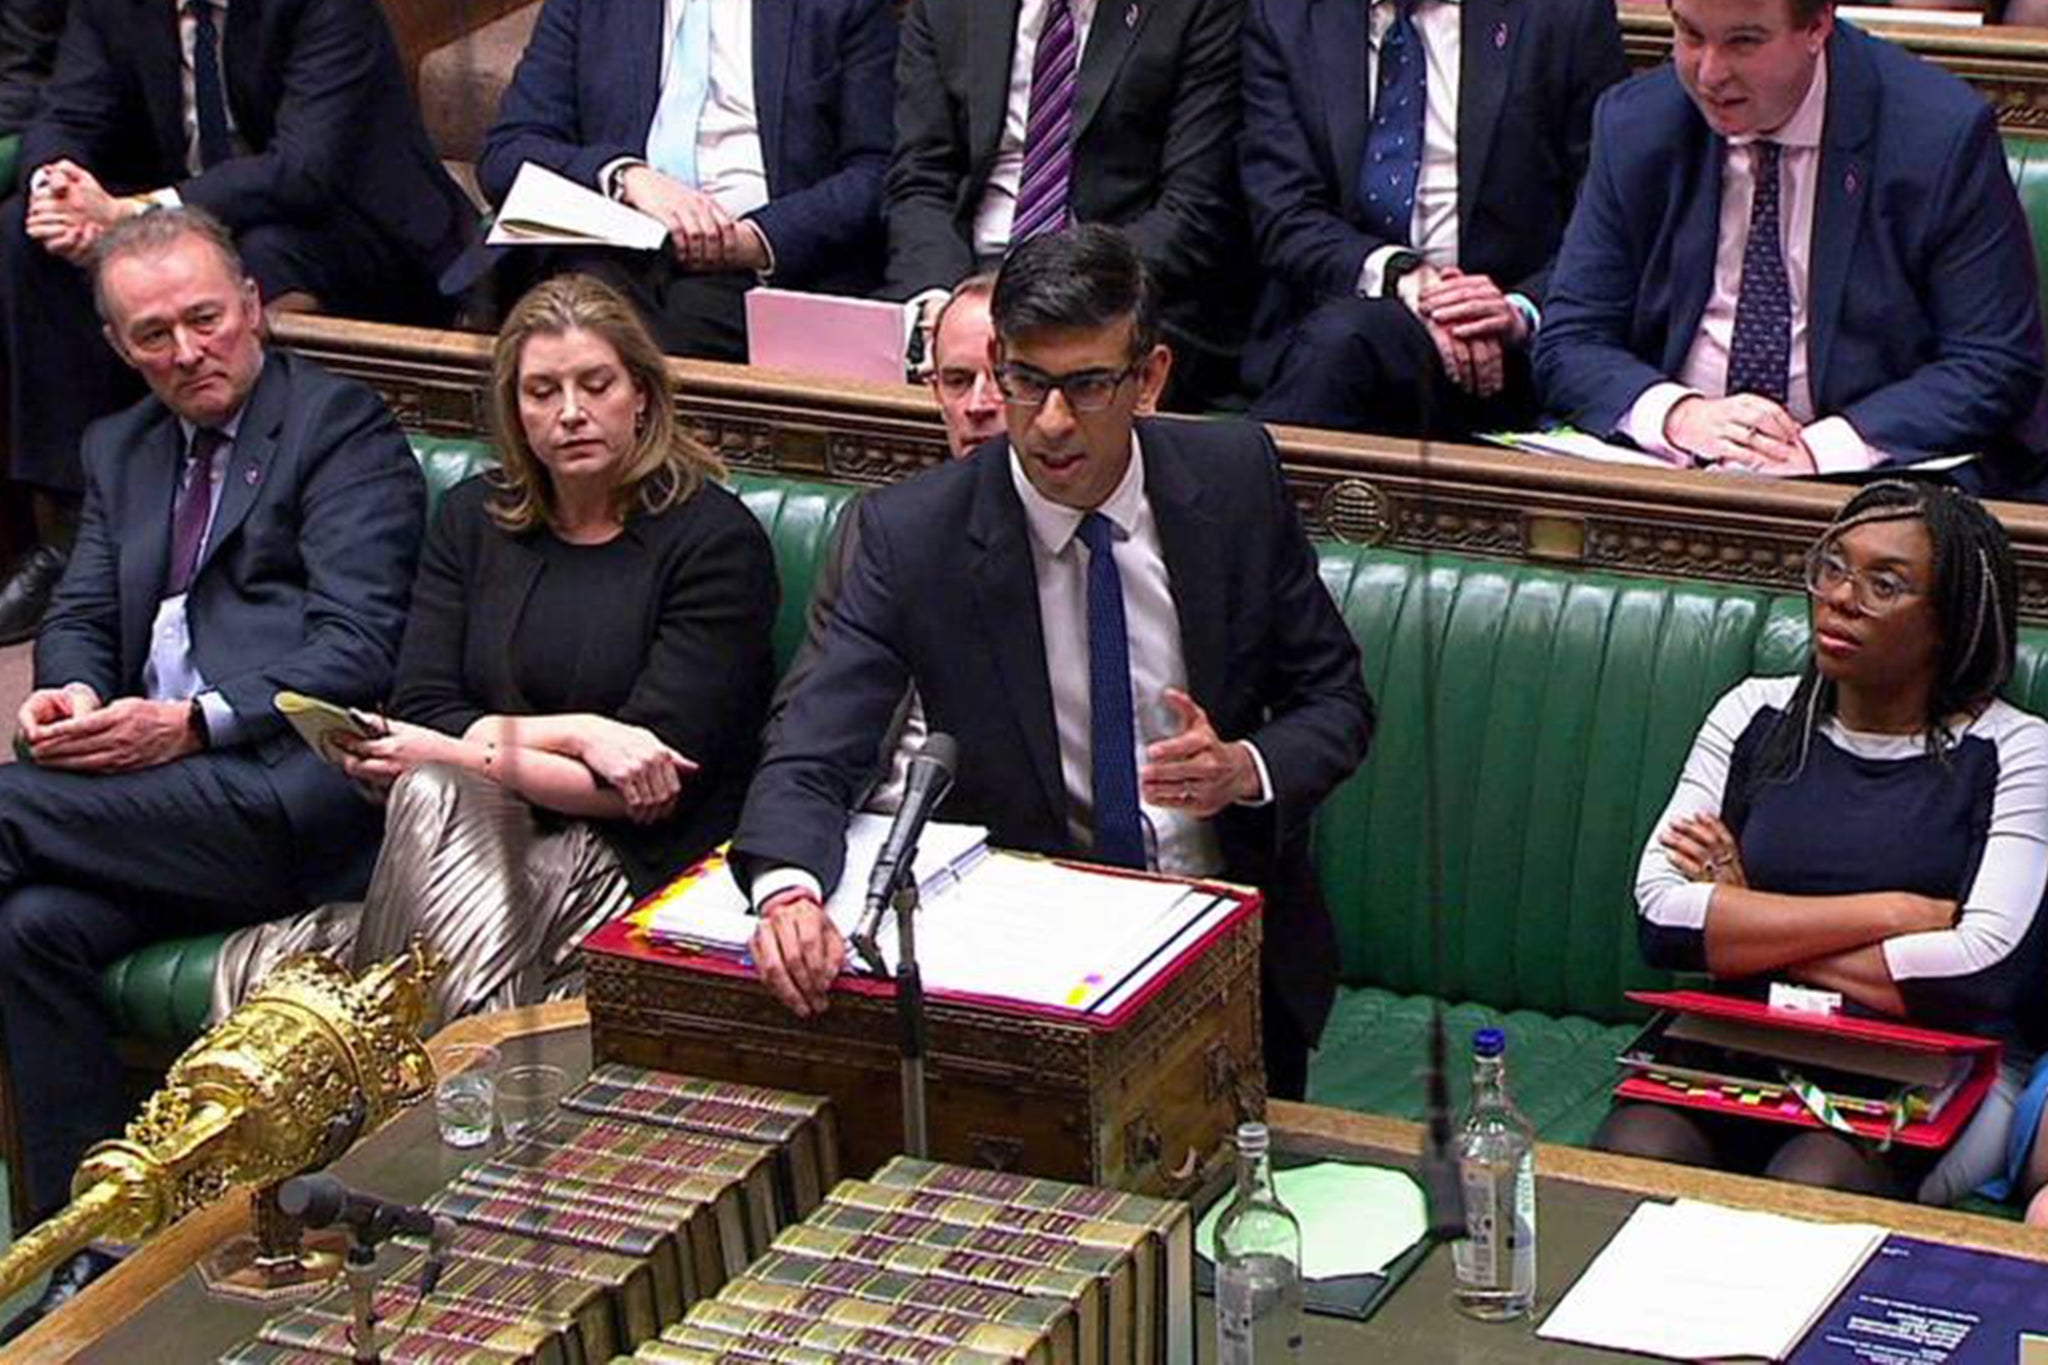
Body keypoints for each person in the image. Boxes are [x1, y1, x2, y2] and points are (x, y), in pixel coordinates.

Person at [732, 225, 1375, 1099]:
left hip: (1224, 946)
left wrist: (1244, 766)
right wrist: (787, 891)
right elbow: (812, 745)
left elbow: (1336, 700)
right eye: (1028, 382)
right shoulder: (911, 536)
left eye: (1089, 385)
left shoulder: (1233, 478)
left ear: (1149, 377)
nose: (1052, 422)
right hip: (1025, 973)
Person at [0, 206, 424, 1339]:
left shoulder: (341, 429)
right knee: (30, 924)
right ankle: (85, 1244)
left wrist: (190, 723)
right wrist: (73, 696)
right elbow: (84, 610)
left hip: (290, 793)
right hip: (143, 806)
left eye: (203, 320)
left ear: (250, 306)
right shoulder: (121, 447)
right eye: (153, 336)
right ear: (117, 346)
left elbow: (356, 644)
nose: (186, 353)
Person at [210, 274, 780, 1027]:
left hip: (622, 857)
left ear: (641, 393)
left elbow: (646, 784)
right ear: (514, 408)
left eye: (595, 384)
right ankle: (453, 1091)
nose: (570, 413)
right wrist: (575, 734)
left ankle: (415, 1101)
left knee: (307, 956)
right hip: (464, 838)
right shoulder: (473, 519)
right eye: (542, 391)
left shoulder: (714, 540)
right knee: (287, 948)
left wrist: (466, 747)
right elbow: (422, 705)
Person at [1609, 481, 2048, 1203]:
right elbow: (1662, 918)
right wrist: (1897, 913)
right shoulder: (1753, 711)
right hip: (1749, 1041)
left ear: (1949, 620)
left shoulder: (2015, 748)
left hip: (1939, 1075)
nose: (1842, 597)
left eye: (1886, 583)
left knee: (1814, 1182)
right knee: (1640, 1154)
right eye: (1834, 567)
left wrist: (1747, 919)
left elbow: (1979, 974)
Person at [0, 0, 474, 646]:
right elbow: (66, 113)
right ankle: (75, 533)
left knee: (229, 266)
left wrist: (133, 213)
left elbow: (304, 170)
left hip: (357, 227)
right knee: (25, 238)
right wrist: (55, 189)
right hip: (196, 217)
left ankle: (232, 529)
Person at [1532, 0, 2048, 498]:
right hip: (1673, 470)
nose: (1710, 73)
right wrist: (1678, 415)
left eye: (1744, 42)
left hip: (1864, 485)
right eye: (1690, 34)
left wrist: (1816, 451)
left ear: (1818, 24)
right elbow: (1571, 339)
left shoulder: (1936, 134)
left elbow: (1993, 361)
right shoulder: (1638, 123)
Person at [1241, 0, 1627, 435]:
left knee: (1345, 342)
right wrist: (1403, 277)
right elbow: (1284, 212)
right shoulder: (1287, 14)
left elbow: (1609, 221)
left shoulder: (1561, 14)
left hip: (1502, 353)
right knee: (1348, 336)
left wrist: (1517, 310)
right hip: (1334, 318)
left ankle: (1248, 488)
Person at [475, 0, 895, 362]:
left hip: (763, 270)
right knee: (583, 304)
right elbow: (509, 152)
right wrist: (625, 175)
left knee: (631, 332)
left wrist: (757, 239)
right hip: (613, 252)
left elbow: (878, 170)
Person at [883, 0, 1248, 403]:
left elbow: (1192, 212)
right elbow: (922, 179)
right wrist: (946, 303)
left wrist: (1028, 303)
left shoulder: (1194, 10)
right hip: (964, 275)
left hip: (1112, 288)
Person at [762, 272, 1005, 813]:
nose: (979, 404)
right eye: (958, 380)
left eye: (1004, 378)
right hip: (866, 827)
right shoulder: (879, 528)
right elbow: (801, 727)